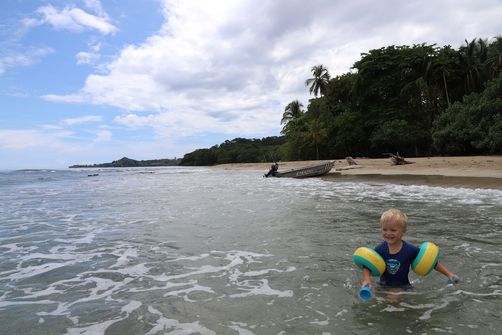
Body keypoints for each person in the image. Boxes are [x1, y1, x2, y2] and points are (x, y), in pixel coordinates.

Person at [361, 208, 459, 289]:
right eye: (384, 229)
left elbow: (432, 262)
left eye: (393, 230)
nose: (388, 233)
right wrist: (367, 279)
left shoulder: (410, 250)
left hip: (403, 287)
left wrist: (449, 274)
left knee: (394, 301)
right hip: (383, 286)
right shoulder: (380, 249)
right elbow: (367, 264)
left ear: (403, 231)